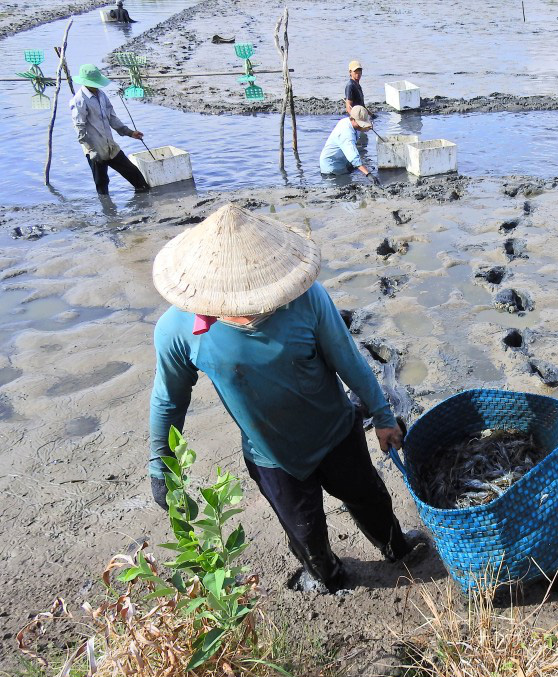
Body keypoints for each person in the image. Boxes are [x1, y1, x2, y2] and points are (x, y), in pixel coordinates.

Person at [148, 203, 423, 593]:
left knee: (371, 498)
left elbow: (349, 360)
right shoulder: (177, 329)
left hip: (336, 432)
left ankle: (397, 548)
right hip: (271, 455)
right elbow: (169, 401)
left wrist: (381, 416)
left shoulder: (307, 299)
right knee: (304, 530)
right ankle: (327, 574)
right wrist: (161, 467)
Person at [68, 63, 149, 195]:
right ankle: (107, 212)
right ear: (86, 82)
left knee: (134, 175)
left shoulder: (101, 95)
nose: (96, 86)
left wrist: (129, 132)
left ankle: (145, 197)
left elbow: (112, 117)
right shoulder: (79, 101)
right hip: (95, 149)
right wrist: (91, 149)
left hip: (110, 146)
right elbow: (79, 128)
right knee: (102, 183)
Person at [319, 105, 379, 182]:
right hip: (332, 167)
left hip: (342, 161)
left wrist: (366, 127)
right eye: (360, 123)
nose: (362, 125)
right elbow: (353, 157)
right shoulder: (346, 134)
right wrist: (368, 174)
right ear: (352, 119)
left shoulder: (347, 122)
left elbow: (359, 128)